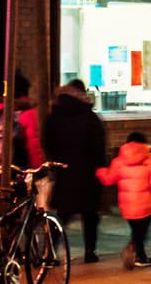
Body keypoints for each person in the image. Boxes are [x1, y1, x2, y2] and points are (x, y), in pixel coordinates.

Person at [44, 80, 108, 262]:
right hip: (88, 172)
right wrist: (100, 168)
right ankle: (90, 251)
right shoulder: (90, 118)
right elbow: (99, 146)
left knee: (63, 214)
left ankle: (50, 251)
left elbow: (47, 142)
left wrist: (55, 162)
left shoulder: (53, 116)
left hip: (64, 172)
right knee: (90, 215)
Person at [98, 130, 151, 269]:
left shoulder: (118, 161)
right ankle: (135, 249)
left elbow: (109, 179)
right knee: (142, 230)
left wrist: (99, 171)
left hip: (127, 205)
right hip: (146, 203)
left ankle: (140, 255)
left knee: (136, 229)